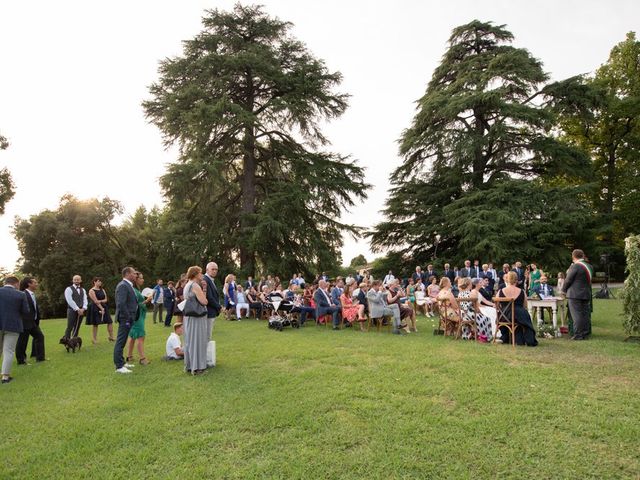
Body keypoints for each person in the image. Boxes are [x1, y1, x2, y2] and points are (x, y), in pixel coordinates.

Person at [0, 276, 29, 384]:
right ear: (16, 284)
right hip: (13, 325)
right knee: (9, 351)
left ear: (5, 282)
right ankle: (5, 377)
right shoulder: (21, 294)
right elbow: (26, 311)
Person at [497, 271, 538, 346]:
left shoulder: (500, 291)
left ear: (507, 280)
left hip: (504, 316)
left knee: (516, 316)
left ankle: (507, 337)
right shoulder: (522, 291)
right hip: (519, 315)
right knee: (524, 318)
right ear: (516, 280)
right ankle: (526, 339)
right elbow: (524, 305)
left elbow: (497, 305)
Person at [561, 249, 593, 340]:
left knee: (576, 315)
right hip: (586, 293)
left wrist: (563, 291)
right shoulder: (589, 266)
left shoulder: (575, 266)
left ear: (573, 256)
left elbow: (568, 280)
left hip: (574, 294)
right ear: (582, 256)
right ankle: (585, 333)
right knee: (585, 314)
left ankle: (578, 335)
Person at [183, 266, 209, 375]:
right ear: (195, 274)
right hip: (197, 317)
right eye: (200, 273)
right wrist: (204, 289)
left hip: (189, 317)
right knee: (198, 341)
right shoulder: (195, 286)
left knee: (190, 341)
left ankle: (190, 366)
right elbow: (204, 301)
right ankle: (198, 368)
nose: (202, 275)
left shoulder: (187, 285)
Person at [113, 267, 139, 374]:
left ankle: (122, 362)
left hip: (128, 317)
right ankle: (119, 366)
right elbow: (121, 304)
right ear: (128, 274)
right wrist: (128, 317)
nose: (136, 275)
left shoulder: (128, 285)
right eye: (134, 273)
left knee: (123, 341)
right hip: (125, 318)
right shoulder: (123, 285)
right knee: (121, 341)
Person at [16, 277, 45, 364]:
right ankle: (21, 361)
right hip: (24, 322)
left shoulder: (32, 294)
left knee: (40, 337)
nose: (37, 284)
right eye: (35, 283)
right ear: (29, 284)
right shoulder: (23, 294)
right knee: (22, 341)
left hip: (33, 322)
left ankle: (40, 358)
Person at [126, 271, 153, 365]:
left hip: (138, 315)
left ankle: (129, 356)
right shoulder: (133, 290)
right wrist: (147, 301)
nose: (143, 279)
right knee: (140, 336)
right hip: (137, 316)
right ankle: (142, 359)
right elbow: (135, 305)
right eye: (141, 278)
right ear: (136, 280)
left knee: (133, 336)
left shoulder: (135, 289)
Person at [86, 277, 114, 344]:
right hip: (95, 308)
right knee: (95, 324)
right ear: (94, 282)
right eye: (98, 281)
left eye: (101, 281)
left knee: (109, 322)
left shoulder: (103, 290)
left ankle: (111, 337)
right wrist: (101, 308)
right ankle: (94, 339)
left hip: (104, 306)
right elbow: (95, 301)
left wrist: (100, 302)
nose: (100, 282)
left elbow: (105, 299)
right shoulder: (91, 291)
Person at [64, 275, 87, 339]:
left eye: (78, 279)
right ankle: (67, 341)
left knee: (77, 326)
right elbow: (69, 300)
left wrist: (84, 308)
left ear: (81, 280)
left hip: (81, 310)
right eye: (75, 279)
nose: (76, 281)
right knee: (70, 326)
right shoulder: (68, 289)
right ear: (72, 280)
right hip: (72, 310)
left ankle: (74, 341)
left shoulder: (83, 290)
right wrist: (77, 309)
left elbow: (85, 300)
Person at [203, 262, 221, 339]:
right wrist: (219, 307)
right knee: (207, 336)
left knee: (208, 335)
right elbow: (209, 297)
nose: (214, 271)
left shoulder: (210, 279)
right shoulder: (205, 279)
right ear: (207, 270)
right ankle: (205, 351)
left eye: (216, 269)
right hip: (208, 311)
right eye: (212, 269)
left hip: (211, 311)